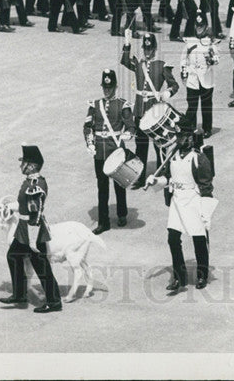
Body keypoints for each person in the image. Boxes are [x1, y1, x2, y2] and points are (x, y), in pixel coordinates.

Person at [149, 128, 215, 293]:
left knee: (198, 239)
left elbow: (207, 186)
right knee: (172, 239)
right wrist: (155, 180)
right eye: (179, 137)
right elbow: (168, 179)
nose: (181, 140)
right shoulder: (172, 157)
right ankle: (179, 276)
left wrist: (206, 214)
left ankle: (202, 274)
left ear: (192, 139)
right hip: (177, 201)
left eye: (185, 137)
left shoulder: (198, 158)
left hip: (193, 199)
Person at [0, 145, 63, 313]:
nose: (21, 166)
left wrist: (33, 237)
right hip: (23, 229)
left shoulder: (35, 185)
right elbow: (23, 204)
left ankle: (54, 302)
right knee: (13, 256)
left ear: (32, 166)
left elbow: (36, 210)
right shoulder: (29, 182)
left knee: (42, 267)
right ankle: (20, 295)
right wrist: (11, 207)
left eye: (24, 163)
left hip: (32, 230)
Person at [121, 31, 180, 189]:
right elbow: (125, 60)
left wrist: (167, 93)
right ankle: (140, 178)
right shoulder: (139, 65)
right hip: (140, 110)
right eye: (145, 49)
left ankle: (162, 176)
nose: (147, 52)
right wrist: (127, 43)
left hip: (154, 111)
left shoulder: (161, 65)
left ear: (154, 49)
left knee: (159, 144)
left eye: (150, 49)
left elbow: (174, 85)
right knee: (141, 145)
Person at [84, 69, 135, 235]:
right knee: (102, 187)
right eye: (105, 87)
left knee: (119, 184)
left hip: (116, 151)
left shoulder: (122, 105)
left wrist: (128, 134)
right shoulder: (95, 105)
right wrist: (90, 144)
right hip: (100, 152)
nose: (107, 90)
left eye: (110, 87)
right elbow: (87, 127)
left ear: (115, 87)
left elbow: (131, 126)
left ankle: (122, 214)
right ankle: (103, 222)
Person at [179, 14, 219, 137]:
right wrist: (183, 72)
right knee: (192, 105)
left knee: (206, 105)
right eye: (197, 26)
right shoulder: (189, 41)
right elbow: (183, 59)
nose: (199, 28)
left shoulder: (210, 42)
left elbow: (217, 58)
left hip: (206, 78)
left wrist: (211, 59)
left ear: (206, 27)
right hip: (192, 78)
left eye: (201, 26)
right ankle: (190, 128)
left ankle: (207, 128)